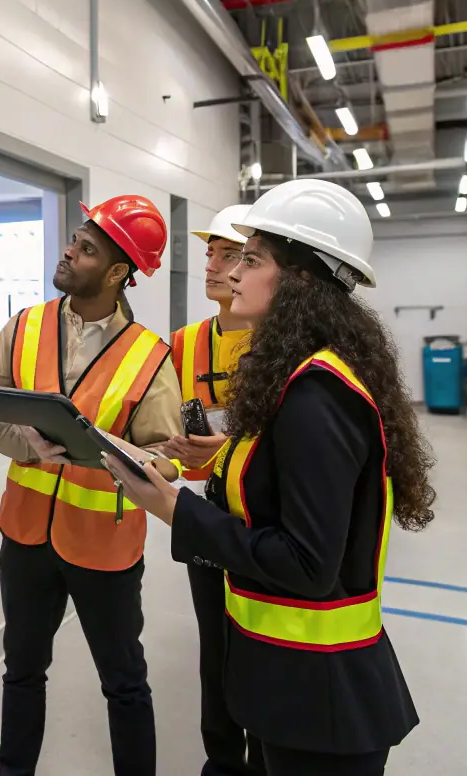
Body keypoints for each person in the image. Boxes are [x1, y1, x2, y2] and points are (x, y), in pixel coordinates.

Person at [102, 179, 436, 776]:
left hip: (321, 694)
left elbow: (307, 564)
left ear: (300, 281)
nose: (232, 272)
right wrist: (217, 453)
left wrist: (174, 508)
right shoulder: (298, 376)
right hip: (294, 681)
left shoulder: (316, 393)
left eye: (251, 260)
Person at [0, 195, 184, 776]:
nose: (69, 251)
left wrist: (111, 450)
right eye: (76, 239)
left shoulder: (151, 357)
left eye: (87, 248)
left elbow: (170, 459)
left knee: (124, 682)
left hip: (104, 546)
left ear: (117, 272)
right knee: (21, 672)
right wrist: (19, 438)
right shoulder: (28, 325)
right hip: (25, 535)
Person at [164, 204, 264, 776]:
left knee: (258, 643)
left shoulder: (277, 343)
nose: (211, 263)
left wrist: (225, 451)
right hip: (208, 509)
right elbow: (161, 423)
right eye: (209, 251)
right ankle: (222, 760)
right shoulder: (182, 343)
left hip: (260, 513)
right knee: (216, 645)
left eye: (229, 253)